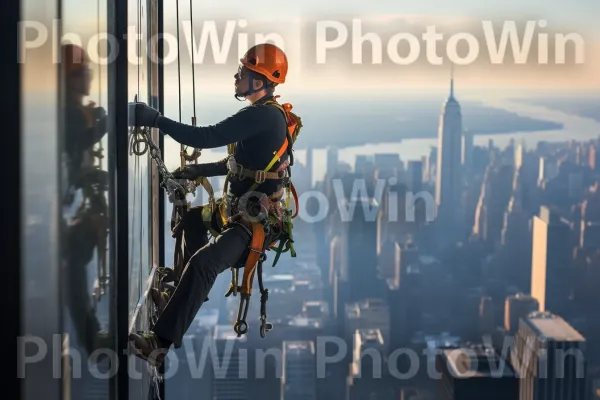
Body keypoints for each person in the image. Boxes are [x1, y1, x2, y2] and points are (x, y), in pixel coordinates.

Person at [128, 43, 299, 366]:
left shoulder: (261, 116)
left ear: (260, 81)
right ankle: (178, 294)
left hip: (252, 224)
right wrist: (198, 169)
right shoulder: (265, 116)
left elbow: (205, 137)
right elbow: (239, 163)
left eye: (244, 72)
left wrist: (157, 120)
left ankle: (159, 344)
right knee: (193, 220)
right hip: (235, 211)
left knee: (204, 264)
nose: (237, 75)